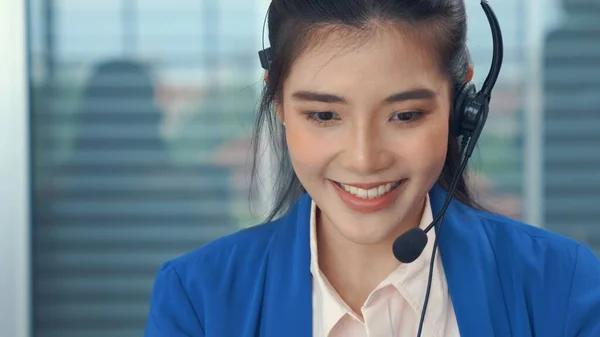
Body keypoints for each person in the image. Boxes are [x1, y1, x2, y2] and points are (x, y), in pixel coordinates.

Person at [143, 0, 600, 336]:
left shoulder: (562, 287)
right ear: (278, 101)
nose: (364, 160)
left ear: (463, 103)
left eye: (404, 115)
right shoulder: (197, 300)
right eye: (324, 115)